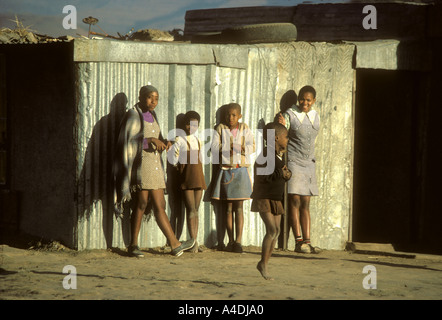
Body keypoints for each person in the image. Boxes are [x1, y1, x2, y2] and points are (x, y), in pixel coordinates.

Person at [114, 85, 195, 257]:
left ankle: (161, 244)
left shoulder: (153, 115)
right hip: (141, 165)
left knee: (154, 204)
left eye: (156, 98)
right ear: (141, 97)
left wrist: (165, 142)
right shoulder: (133, 115)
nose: (153, 101)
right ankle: (145, 244)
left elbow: (156, 138)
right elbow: (128, 141)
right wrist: (149, 140)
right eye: (150, 97)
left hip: (155, 164)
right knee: (145, 203)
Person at [277, 85, 321, 254]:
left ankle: (307, 242)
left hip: (309, 163)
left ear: (314, 101)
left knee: (306, 203)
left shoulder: (315, 116)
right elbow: (282, 133)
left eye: (308, 100)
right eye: (302, 99)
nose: (305, 102)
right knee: (294, 200)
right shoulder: (290, 114)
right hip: (294, 161)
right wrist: (282, 125)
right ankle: (298, 241)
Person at [209, 103, 255, 253]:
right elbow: (215, 148)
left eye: (234, 115)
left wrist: (241, 148)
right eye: (228, 115)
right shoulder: (220, 128)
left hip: (240, 170)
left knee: (239, 208)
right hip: (227, 171)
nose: (231, 118)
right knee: (228, 208)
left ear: (240, 116)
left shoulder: (244, 128)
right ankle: (230, 241)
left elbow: (252, 146)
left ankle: (238, 241)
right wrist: (228, 148)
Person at [252, 122, 291, 280]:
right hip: (264, 198)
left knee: (277, 231)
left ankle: (264, 263)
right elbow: (265, 176)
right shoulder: (265, 156)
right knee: (272, 230)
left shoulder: (276, 156)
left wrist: (287, 174)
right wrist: (281, 174)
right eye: (286, 137)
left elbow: (282, 172)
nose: (287, 140)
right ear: (276, 138)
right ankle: (263, 264)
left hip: (275, 198)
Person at [169, 110, 207, 252]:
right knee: (191, 210)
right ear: (185, 125)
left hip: (198, 177)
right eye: (190, 125)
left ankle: (194, 242)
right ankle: (193, 244)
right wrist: (180, 165)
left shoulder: (198, 140)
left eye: (195, 125)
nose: (192, 128)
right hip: (187, 178)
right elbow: (173, 160)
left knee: (196, 210)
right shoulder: (180, 140)